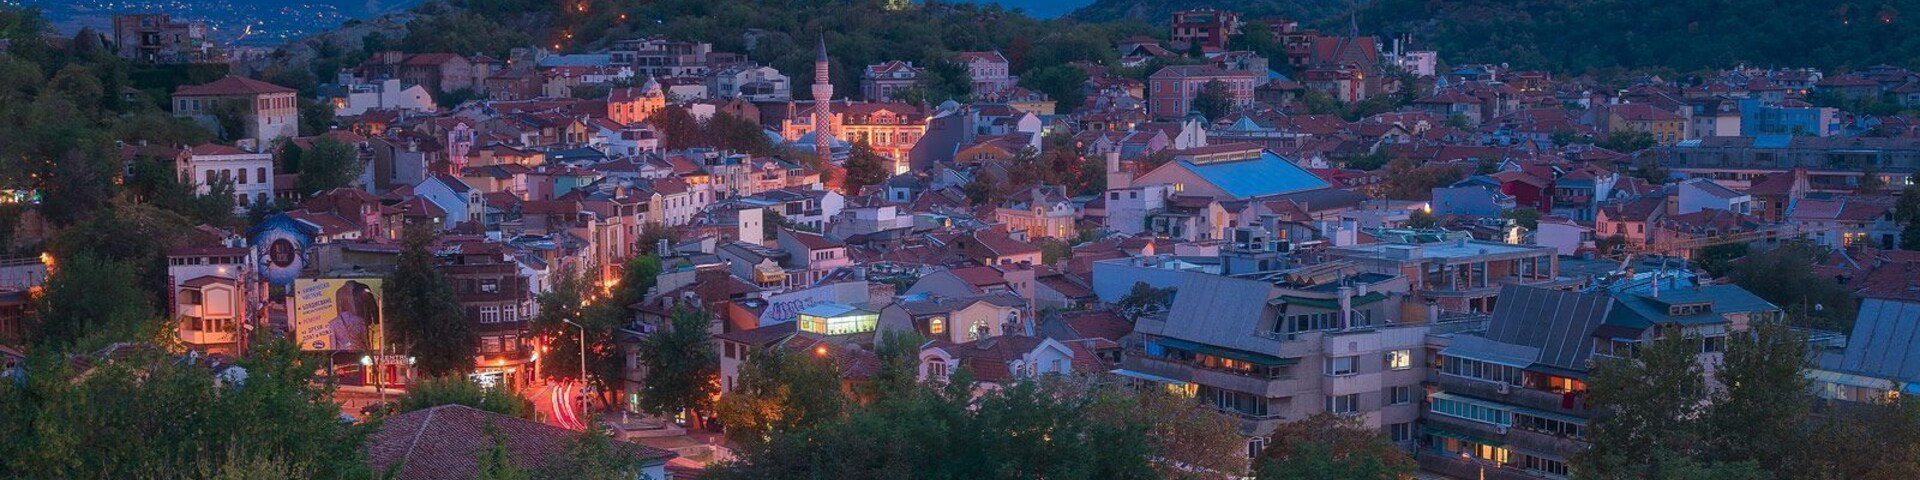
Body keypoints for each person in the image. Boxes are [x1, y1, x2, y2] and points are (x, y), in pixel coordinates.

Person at [326, 281, 380, 350]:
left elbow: (339, 309)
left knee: (361, 343)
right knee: (364, 343)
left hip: (350, 324)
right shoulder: (363, 288)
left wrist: (341, 325)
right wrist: (376, 320)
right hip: (361, 322)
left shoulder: (340, 291)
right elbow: (372, 304)